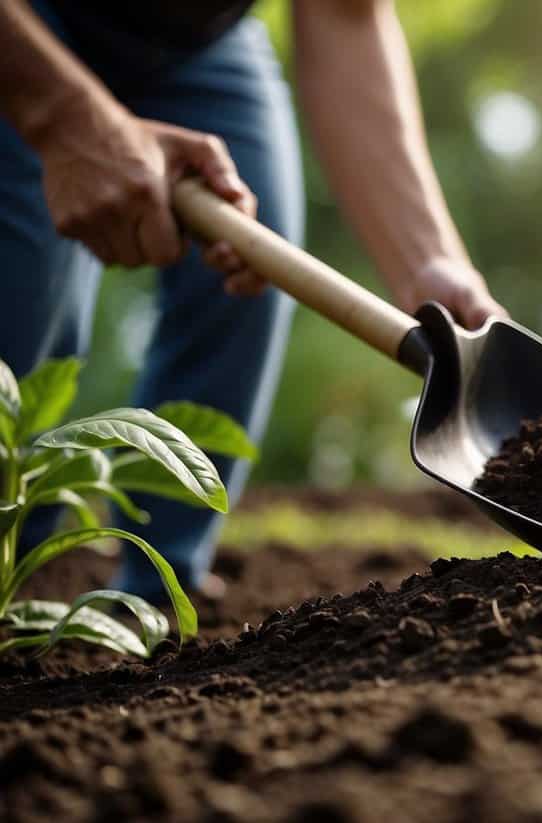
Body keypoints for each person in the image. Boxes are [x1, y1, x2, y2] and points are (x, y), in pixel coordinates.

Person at [0, 1, 506, 600]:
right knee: (25, 311)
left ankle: (155, 598)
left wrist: (429, 260)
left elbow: (344, 15)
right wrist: (65, 118)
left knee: (252, 262)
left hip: (198, 42)